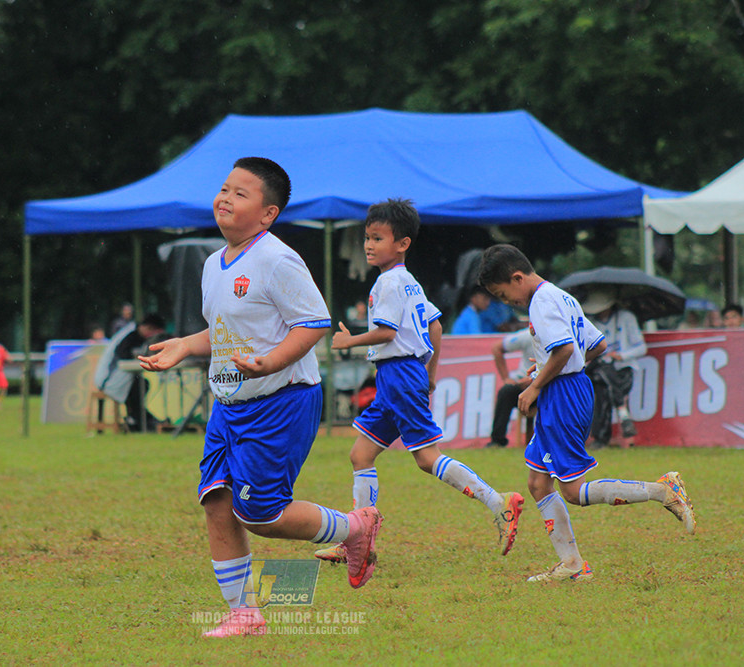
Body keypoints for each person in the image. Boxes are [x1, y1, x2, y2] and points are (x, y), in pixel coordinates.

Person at [138, 157, 383, 638]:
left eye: (241, 193)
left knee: (262, 515)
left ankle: (354, 527)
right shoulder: (213, 263)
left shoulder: (277, 258)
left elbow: (312, 321)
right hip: (229, 404)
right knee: (216, 501)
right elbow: (225, 331)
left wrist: (271, 362)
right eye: (224, 189)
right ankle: (245, 615)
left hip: (282, 401)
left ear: (268, 214)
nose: (225, 198)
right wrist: (188, 344)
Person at [313, 198, 524, 566]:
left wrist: (349, 341)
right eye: (367, 237)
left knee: (427, 459)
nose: (368, 245)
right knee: (360, 454)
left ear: (403, 243)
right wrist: (429, 373)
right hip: (400, 376)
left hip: (397, 374)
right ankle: (358, 540)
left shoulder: (388, 283)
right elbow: (435, 326)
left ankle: (499, 503)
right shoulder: (409, 283)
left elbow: (384, 333)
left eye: (377, 238)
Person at [479, 244, 696, 582]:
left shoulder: (541, 302)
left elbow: (565, 349)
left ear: (517, 278)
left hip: (562, 395)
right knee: (538, 482)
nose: (509, 302)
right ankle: (572, 565)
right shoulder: (562, 296)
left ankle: (663, 490)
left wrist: (536, 384)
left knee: (573, 491)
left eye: (504, 294)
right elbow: (597, 345)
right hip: (567, 388)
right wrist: (558, 366)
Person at [580, 289, 646, 448]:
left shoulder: (626, 318)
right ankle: (623, 414)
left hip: (622, 370)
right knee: (601, 372)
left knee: (604, 380)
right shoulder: (590, 323)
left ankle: (601, 438)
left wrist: (621, 355)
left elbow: (641, 347)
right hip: (599, 370)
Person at [94, 313, 168, 432]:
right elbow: (123, 355)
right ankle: (137, 419)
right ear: (149, 328)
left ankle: (138, 418)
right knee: (139, 386)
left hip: (115, 376)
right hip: (108, 379)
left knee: (142, 384)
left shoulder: (131, 331)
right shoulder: (130, 335)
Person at [487, 326, 534, 448]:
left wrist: (536, 381)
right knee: (506, 391)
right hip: (523, 384)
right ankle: (497, 440)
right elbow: (497, 348)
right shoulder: (527, 336)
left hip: (547, 384)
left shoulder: (557, 337)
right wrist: (506, 379)